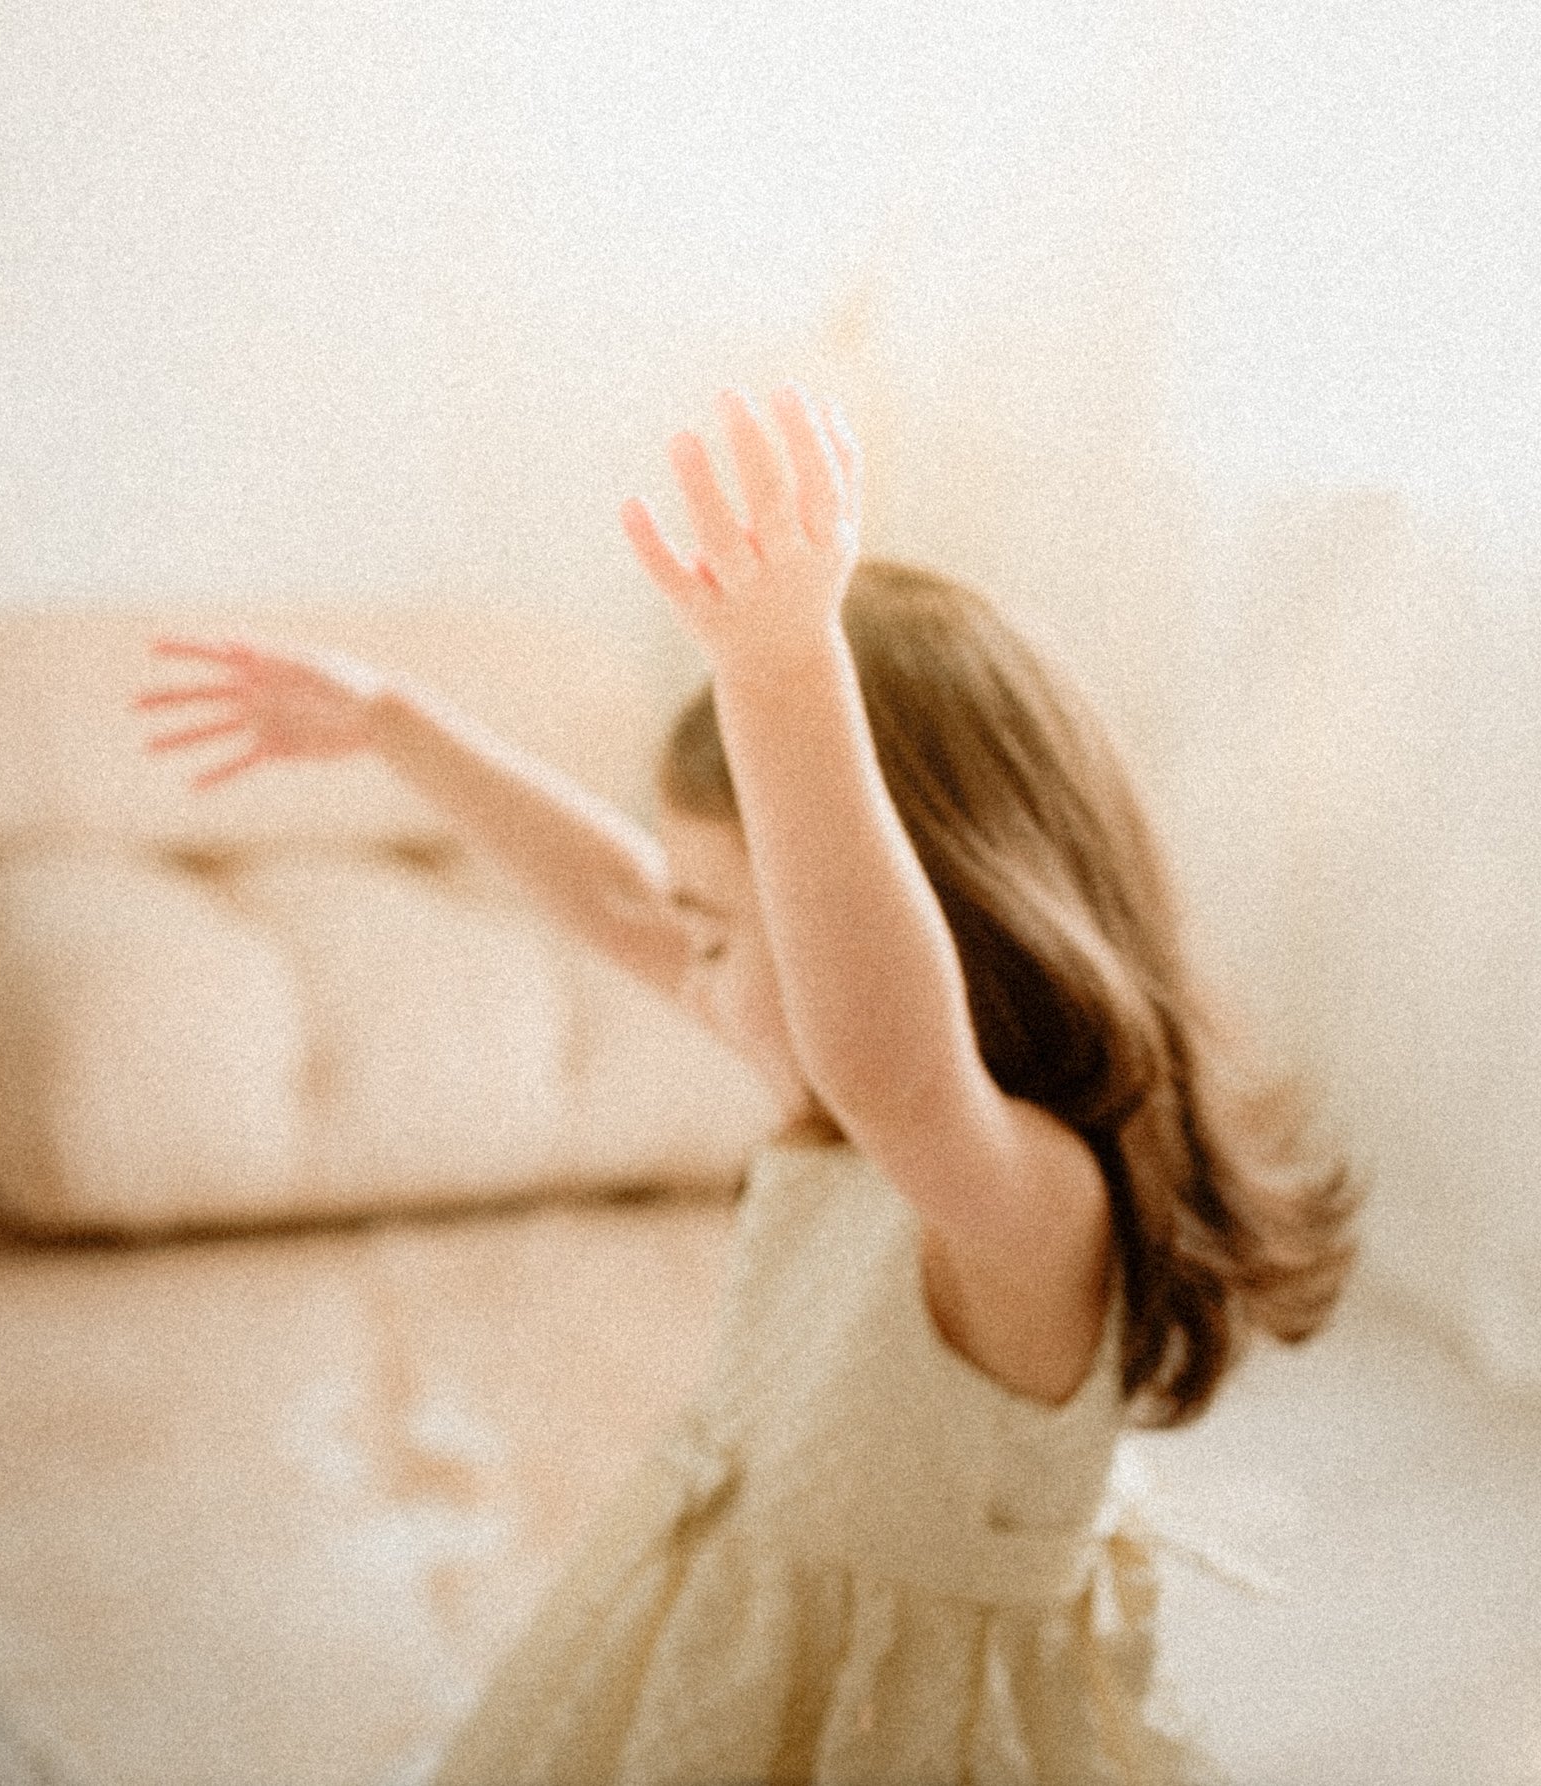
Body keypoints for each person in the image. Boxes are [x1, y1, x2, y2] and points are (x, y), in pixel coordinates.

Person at [134, 387, 1358, 1784]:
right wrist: (395, 726)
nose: (685, 966)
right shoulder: (863, 1109)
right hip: (743, 1631)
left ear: (933, 919)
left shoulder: (1026, 1195)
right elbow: (612, 890)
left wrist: (785, 678)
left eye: (721, 929)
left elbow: (885, 1054)